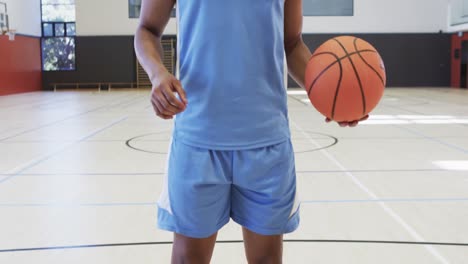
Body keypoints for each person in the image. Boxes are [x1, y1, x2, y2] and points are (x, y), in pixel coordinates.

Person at [135, 0, 367, 263]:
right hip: (199, 138)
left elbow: (291, 44)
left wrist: (330, 95)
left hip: (267, 141)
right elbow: (147, 30)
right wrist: (157, 74)